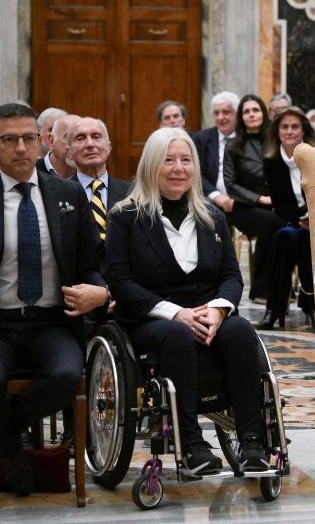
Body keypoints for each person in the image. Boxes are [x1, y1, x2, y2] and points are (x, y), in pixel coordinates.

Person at [0, 103, 108, 496]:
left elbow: (92, 266)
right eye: (9, 140)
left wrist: (99, 291)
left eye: (29, 139)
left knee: (67, 376)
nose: (20, 148)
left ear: (42, 142)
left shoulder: (68, 196)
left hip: (51, 321)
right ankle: (12, 455)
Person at [105, 127, 270, 475]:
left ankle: (253, 441)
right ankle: (192, 444)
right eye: (169, 161)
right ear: (151, 165)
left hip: (207, 313)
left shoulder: (211, 214)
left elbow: (230, 274)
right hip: (151, 318)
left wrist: (219, 309)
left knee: (241, 332)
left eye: (186, 160)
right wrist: (174, 312)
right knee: (176, 335)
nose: (179, 168)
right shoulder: (125, 217)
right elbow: (120, 281)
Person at [258, 107, 315, 329]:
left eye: (295, 126)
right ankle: (308, 304)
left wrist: (311, 218)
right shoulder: (272, 162)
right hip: (292, 221)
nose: (290, 131)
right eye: (284, 127)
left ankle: (276, 309)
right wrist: (301, 219)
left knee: (294, 238)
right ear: (277, 132)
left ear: (304, 130)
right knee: (288, 236)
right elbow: (280, 204)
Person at [223, 94, 284, 301]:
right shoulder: (233, 145)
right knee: (273, 223)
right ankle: (261, 289)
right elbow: (230, 185)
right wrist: (260, 199)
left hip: (277, 205)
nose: (251, 114)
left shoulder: (276, 140)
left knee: (289, 226)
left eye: (255, 110)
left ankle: (282, 288)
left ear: (263, 113)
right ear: (241, 117)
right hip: (246, 208)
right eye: (246, 111)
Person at [67, 117, 131, 247]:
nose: (90, 144)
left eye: (96, 136)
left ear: (108, 147)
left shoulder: (132, 192)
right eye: (80, 138)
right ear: (69, 152)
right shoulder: (59, 194)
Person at [191, 91, 239, 215]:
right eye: (216, 113)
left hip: (243, 203)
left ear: (236, 114)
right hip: (210, 201)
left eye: (226, 112)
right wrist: (216, 195)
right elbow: (195, 172)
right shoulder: (200, 139)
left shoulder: (248, 139)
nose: (220, 117)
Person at [37, 114, 79, 178]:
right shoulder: (31, 171)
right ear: (51, 141)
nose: (76, 144)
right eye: (68, 137)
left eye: (80, 138)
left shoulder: (91, 174)